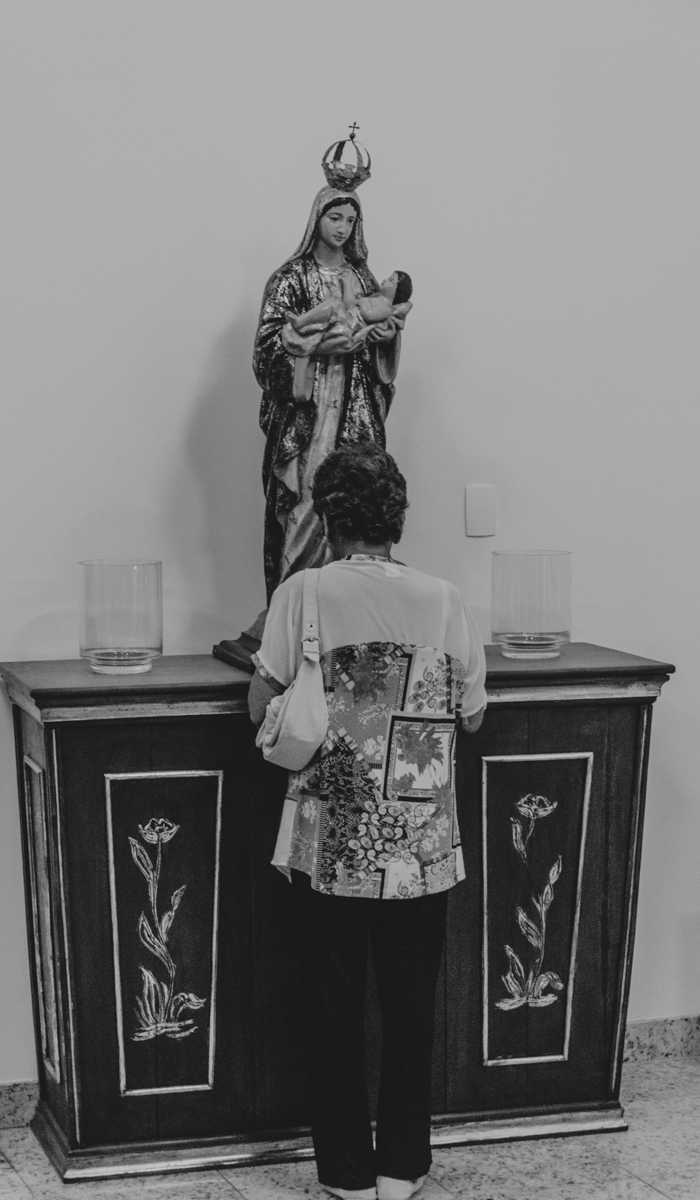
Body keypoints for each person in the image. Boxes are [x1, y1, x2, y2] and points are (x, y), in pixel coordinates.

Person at [248, 443, 487, 1200]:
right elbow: (471, 715)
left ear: (326, 517)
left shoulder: (305, 592)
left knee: (334, 1006)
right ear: (398, 518)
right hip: (420, 839)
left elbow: (262, 704)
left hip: (335, 839)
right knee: (411, 1008)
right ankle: (401, 1167)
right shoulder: (444, 599)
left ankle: (347, 1173)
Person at [254, 186, 411, 605]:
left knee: (352, 496)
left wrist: (385, 338)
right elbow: (266, 352)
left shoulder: (363, 278)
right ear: (317, 219)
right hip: (309, 415)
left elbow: (380, 345)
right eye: (335, 217)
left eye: (350, 220)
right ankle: (295, 603)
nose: (342, 228)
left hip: (353, 408)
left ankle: (348, 604)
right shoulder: (289, 279)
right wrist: (317, 347)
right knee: (305, 498)